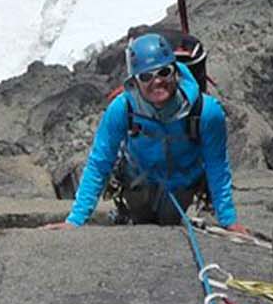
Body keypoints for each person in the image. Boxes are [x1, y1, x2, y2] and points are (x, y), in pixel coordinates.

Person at [43, 33, 249, 234]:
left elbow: (217, 166)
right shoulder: (122, 108)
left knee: (168, 224)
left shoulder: (206, 111)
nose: (157, 81)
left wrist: (228, 220)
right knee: (144, 222)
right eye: (146, 76)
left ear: (175, 71)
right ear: (135, 81)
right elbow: (100, 163)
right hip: (138, 184)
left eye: (164, 72)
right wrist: (75, 220)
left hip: (181, 186)